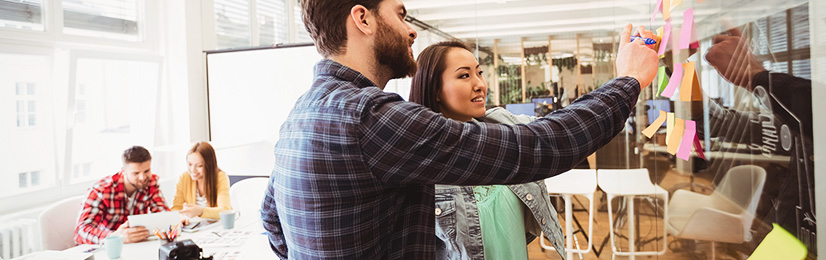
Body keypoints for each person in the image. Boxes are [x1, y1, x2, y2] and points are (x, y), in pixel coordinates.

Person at [260, 0, 659, 258]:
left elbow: (271, 221)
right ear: (362, 18)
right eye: (399, 14)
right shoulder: (368, 117)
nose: (411, 29)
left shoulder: (301, 114)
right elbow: (538, 147)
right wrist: (629, 80)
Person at [409, 41, 564, 259]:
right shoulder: (420, 161)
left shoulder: (502, 125)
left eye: (479, 73)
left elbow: (558, 130)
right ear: (435, 91)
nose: (480, 84)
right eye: (464, 76)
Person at [75, 146, 174, 244]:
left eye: (146, 171)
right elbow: (80, 232)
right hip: (109, 247)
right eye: (136, 173)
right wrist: (116, 236)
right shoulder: (101, 190)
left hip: (135, 245)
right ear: (123, 171)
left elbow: (163, 214)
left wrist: (175, 219)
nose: (142, 177)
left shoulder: (150, 182)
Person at [171, 141, 231, 219]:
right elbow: (175, 209)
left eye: (199, 166)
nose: (193, 170)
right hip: (194, 228)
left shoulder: (220, 177)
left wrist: (200, 211)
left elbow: (225, 211)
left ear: (209, 165)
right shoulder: (184, 177)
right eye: (190, 164)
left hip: (216, 226)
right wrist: (182, 219)